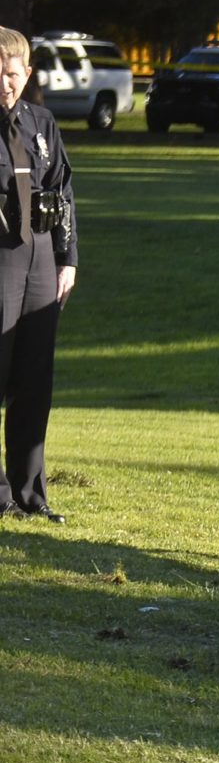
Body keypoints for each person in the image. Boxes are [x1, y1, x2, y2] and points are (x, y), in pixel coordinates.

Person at [0, 27, 77, 521]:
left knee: (33, 379)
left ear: (26, 75)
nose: (4, 83)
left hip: (41, 261)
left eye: (11, 74)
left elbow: (64, 192)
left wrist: (68, 258)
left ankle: (30, 494)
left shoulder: (41, 123)